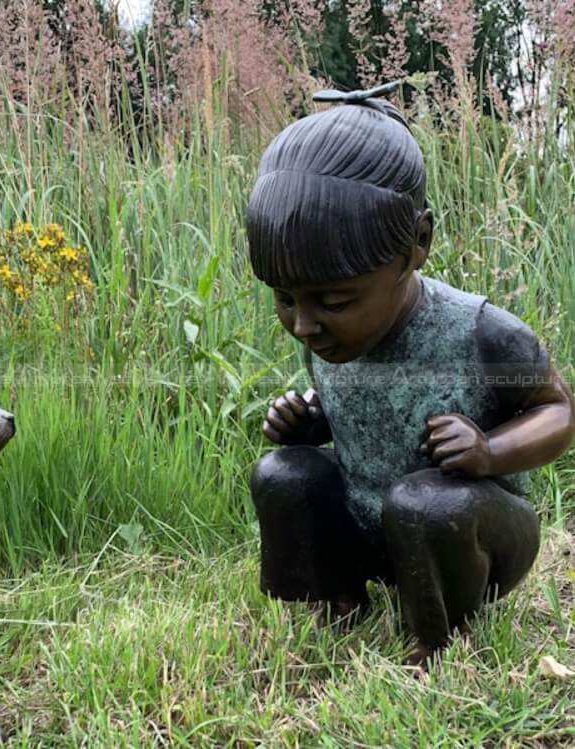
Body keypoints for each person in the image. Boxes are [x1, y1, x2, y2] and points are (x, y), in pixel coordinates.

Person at [246, 85, 575, 664]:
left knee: (424, 502)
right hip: (375, 520)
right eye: (285, 299)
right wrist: (311, 425)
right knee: (282, 473)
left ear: (416, 244)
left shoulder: (482, 333)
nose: (303, 325)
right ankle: (338, 600)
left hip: (468, 530)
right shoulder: (325, 335)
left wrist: (491, 449)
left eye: (333, 301)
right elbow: (359, 416)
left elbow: (560, 411)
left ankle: (437, 636)